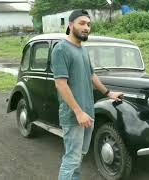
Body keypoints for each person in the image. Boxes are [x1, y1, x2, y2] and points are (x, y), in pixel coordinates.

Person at [51, 9, 123, 180]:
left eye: (89, 24)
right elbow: (60, 84)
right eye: (82, 23)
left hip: (87, 113)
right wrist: (78, 111)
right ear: (71, 25)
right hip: (74, 115)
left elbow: (91, 75)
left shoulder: (82, 50)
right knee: (72, 159)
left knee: (79, 156)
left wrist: (108, 93)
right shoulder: (61, 49)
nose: (86, 27)